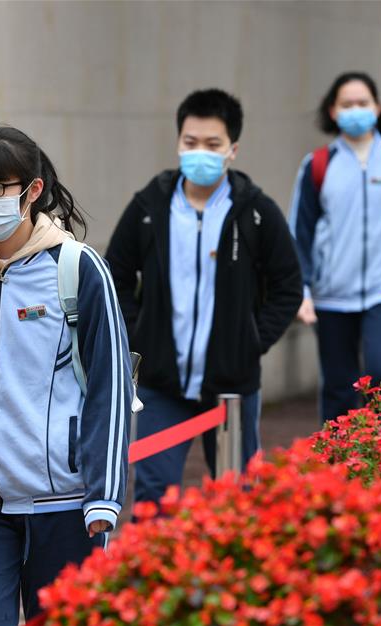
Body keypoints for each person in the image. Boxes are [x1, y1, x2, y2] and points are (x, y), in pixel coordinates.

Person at [0, 125, 134, 626]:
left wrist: (104, 493)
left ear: (32, 191)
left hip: (63, 500)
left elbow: (110, 386)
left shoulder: (77, 269)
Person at [106, 89, 302, 507]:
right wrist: (140, 335)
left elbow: (288, 286)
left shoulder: (256, 212)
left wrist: (251, 342)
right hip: (162, 385)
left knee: (241, 498)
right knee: (153, 497)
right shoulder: (149, 207)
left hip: (232, 388)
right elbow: (114, 275)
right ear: (178, 143)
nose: (200, 153)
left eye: (212, 145)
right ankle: (154, 575)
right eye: (190, 143)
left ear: (232, 149)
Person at [289, 71, 381, 424]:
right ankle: (337, 468)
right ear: (333, 111)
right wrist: (302, 288)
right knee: (339, 386)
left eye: (363, 103)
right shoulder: (319, 165)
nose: (356, 110)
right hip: (332, 294)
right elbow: (300, 232)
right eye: (347, 104)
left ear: (377, 108)